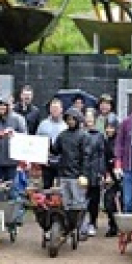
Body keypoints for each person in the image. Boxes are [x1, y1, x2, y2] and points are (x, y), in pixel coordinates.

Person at [50, 109, 90, 237]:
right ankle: (67, 227)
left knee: (79, 204)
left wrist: (83, 174)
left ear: (78, 120)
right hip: (63, 174)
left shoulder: (84, 136)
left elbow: (86, 156)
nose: (70, 121)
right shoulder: (62, 135)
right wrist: (46, 143)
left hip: (77, 176)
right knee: (65, 204)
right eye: (68, 119)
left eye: (73, 119)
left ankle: (82, 228)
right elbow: (55, 151)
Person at [0, 99, 26, 182]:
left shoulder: (18, 120)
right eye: (0, 105)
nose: (2, 107)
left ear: (9, 107)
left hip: (13, 162)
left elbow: (24, 138)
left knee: (13, 189)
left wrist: (14, 135)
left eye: (5, 105)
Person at [83, 110, 107, 237]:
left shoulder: (99, 135)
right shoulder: (80, 133)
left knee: (94, 200)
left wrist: (101, 171)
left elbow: (102, 155)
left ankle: (92, 222)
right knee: (81, 198)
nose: (89, 120)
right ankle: (81, 222)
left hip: (95, 171)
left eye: (91, 118)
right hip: (82, 171)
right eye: (87, 118)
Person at [36, 98, 68, 189]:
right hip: (47, 162)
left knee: (61, 189)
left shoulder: (66, 125)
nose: (55, 110)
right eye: (53, 108)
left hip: (62, 163)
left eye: (57, 108)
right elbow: (37, 143)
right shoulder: (43, 124)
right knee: (46, 187)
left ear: (61, 109)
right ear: (49, 109)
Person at [102, 118, 121, 236]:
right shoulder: (105, 142)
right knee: (108, 201)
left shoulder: (122, 141)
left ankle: (125, 227)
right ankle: (113, 225)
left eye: (112, 127)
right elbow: (104, 160)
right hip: (111, 176)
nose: (109, 130)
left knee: (124, 201)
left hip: (123, 175)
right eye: (107, 127)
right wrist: (106, 174)